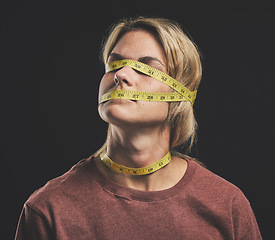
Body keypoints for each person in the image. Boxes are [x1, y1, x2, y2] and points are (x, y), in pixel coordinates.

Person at [15, 16, 262, 239]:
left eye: (147, 68)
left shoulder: (226, 205)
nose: (120, 75)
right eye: (114, 64)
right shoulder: (48, 209)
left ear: (180, 98)